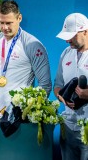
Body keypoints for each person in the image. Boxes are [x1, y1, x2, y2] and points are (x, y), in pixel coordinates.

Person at [0, 0, 52, 158]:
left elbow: (45, 85)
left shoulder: (33, 45)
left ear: (19, 18)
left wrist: (24, 112)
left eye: (9, 22)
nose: (4, 27)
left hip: (19, 119)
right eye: (1, 22)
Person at [54, 13, 88, 160]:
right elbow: (58, 85)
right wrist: (62, 97)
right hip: (68, 126)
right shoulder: (65, 54)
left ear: (85, 31)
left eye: (72, 36)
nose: (68, 40)